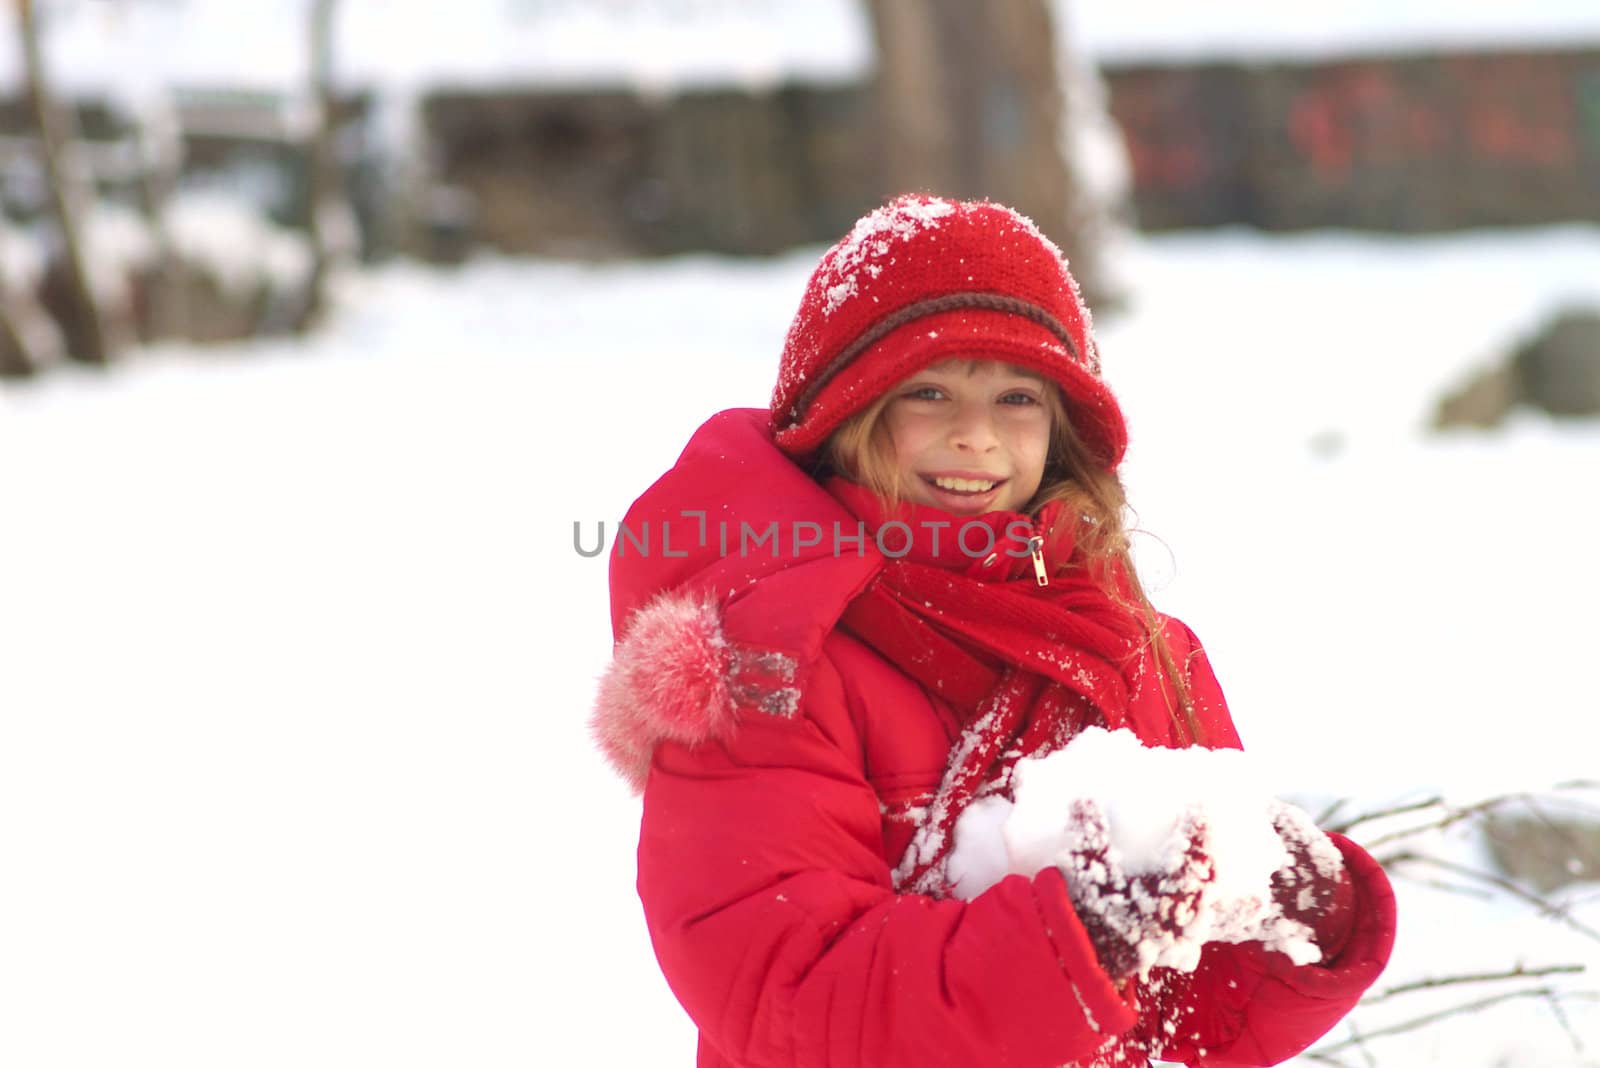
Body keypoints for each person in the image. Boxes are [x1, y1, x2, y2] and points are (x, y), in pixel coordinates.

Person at [592, 194, 1396, 1067]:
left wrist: (1289, 910)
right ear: (843, 415)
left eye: (1018, 397)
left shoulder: (1134, 646)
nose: (975, 436)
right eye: (927, 391)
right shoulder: (770, 659)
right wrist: (1077, 938)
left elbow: (1186, 1029)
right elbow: (790, 993)